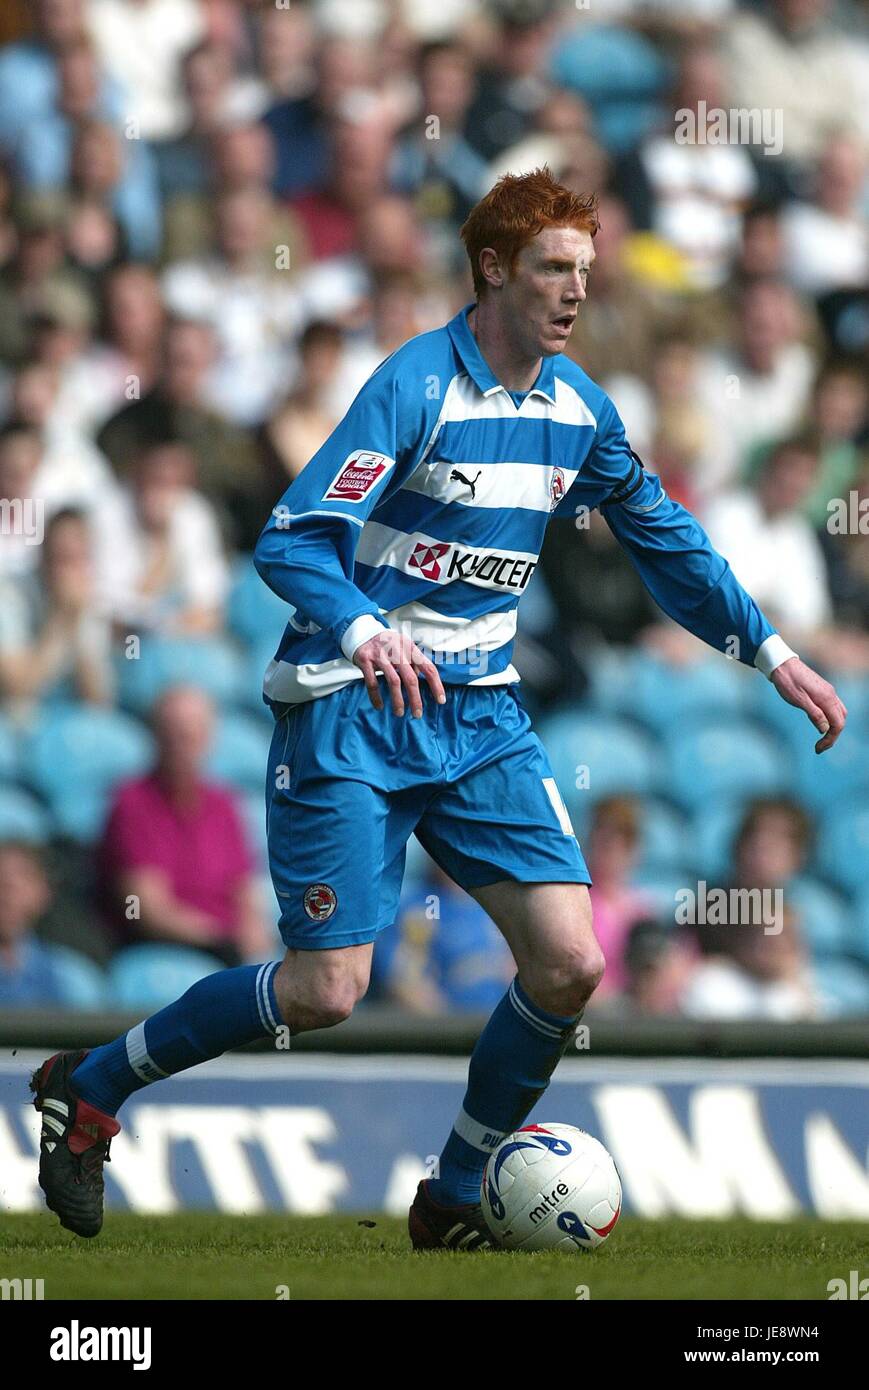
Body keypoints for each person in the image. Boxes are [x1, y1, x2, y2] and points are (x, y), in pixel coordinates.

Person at [30, 167, 847, 1246]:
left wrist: (770, 649)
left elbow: (667, 542)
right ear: (494, 269)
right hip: (350, 708)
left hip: (478, 715)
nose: (571, 292)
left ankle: (453, 1191)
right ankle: (88, 1088)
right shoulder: (413, 388)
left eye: (584, 273)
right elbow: (290, 537)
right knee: (327, 990)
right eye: (552, 268)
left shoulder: (577, 411)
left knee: (570, 962)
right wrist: (366, 632)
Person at [99, 685, 271, 968]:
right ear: (154, 736)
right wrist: (224, 940)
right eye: (172, 733)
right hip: (165, 949)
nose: (181, 744)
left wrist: (252, 935)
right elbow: (147, 911)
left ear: (208, 738)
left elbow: (245, 892)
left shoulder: (224, 805)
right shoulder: (132, 803)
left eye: (191, 735)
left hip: (226, 949)